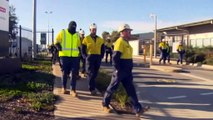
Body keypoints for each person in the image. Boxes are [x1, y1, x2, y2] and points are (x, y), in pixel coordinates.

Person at [102, 24, 149, 116]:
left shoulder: (126, 42)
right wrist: (117, 70)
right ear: (122, 32)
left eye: (130, 31)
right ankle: (105, 104)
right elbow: (115, 58)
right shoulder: (120, 42)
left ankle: (137, 109)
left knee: (131, 90)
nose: (130, 33)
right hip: (120, 70)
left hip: (127, 71)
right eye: (128, 31)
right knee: (112, 87)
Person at [54, 21, 81, 97]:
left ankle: (73, 90)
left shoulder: (77, 34)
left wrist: (79, 51)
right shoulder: (63, 32)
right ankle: (64, 88)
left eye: (74, 27)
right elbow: (56, 41)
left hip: (74, 57)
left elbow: (78, 45)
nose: (73, 28)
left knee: (74, 73)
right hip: (64, 56)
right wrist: (59, 47)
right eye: (72, 27)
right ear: (69, 26)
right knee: (65, 72)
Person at [81, 23, 105, 95]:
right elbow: (83, 49)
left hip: (97, 57)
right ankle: (92, 89)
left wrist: (101, 56)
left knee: (95, 73)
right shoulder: (86, 39)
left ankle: (92, 85)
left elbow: (102, 49)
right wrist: (85, 57)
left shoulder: (100, 39)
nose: (94, 31)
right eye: (93, 30)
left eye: (95, 29)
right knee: (90, 73)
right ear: (90, 30)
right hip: (89, 57)